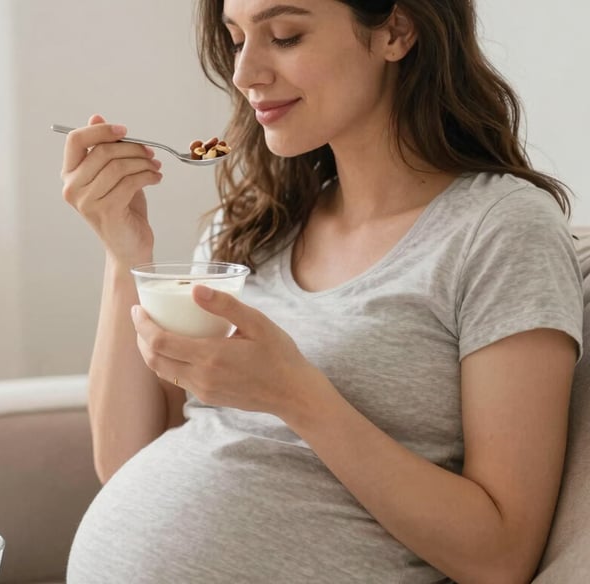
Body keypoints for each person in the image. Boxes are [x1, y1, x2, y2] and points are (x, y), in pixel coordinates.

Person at [59, 1, 583, 582]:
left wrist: (297, 396)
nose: (244, 73)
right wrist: (125, 254)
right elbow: (124, 459)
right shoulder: (254, 227)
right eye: (236, 40)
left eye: (284, 36)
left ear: (395, 31)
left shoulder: (500, 229)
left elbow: (501, 557)